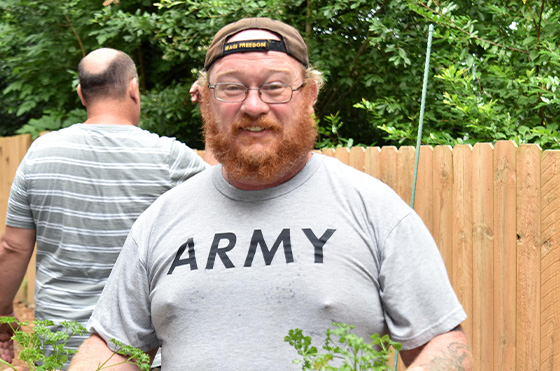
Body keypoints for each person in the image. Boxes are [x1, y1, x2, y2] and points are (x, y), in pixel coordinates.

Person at [69, 18, 472, 370]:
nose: (253, 105)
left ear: (309, 95)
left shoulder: (375, 210)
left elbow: (444, 343)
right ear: (206, 100)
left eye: (275, 87)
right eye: (231, 88)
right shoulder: (161, 220)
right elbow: (113, 349)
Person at [0, 48, 208, 369]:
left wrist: (4, 316)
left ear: (81, 94)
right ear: (133, 88)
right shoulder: (170, 158)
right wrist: (212, 105)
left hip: (57, 342)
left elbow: (12, 247)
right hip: (135, 351)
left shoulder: (41, 153)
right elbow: (233, 192)